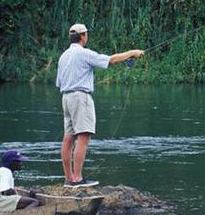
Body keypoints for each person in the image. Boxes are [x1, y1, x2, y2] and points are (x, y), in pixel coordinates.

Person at [57, 23, 144, 187]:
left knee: (68, 138)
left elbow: (59, 83)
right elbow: (110, 60)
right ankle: (77, 179)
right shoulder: (83, 54)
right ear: (83, 36)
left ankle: (69, 179)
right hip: (80, 97)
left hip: (66, 98)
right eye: (86, 34)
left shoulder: (63, 56)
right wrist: (133, 53)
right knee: (83, 137)